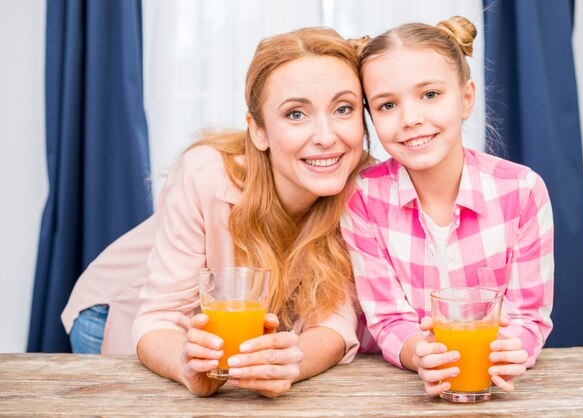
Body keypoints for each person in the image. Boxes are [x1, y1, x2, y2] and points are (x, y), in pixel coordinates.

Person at [62, 26, 373, 398]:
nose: (325, 136)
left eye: (343, 109)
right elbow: (157, 317)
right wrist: (184, 364)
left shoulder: (366, 188)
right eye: (295, 114)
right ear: (257, 131)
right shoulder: (205, 173)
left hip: (219, 339)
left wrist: (289, 363)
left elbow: (336, 320)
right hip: (118, 309)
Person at [341, 16, 554, 396]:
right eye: (387, 105)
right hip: (390, 390)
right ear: (371, 117)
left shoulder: (522, 191)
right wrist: (420, 354)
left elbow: (528, 316)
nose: (411, 119)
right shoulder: (363, 198)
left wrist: (512, 351)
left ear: (466, 98)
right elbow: (388, 318)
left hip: (489, 384)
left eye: (430, 95)